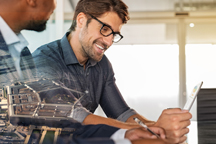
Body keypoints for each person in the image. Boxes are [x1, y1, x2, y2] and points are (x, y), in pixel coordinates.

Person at [0, 0, 170, 144]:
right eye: (104, 29)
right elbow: (77, 117)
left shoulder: (102, 64)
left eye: (114, 34)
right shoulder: (44, 61)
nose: (109, 41)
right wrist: (148, 130)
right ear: (81, 20)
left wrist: (158, 128)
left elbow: (122, 113)